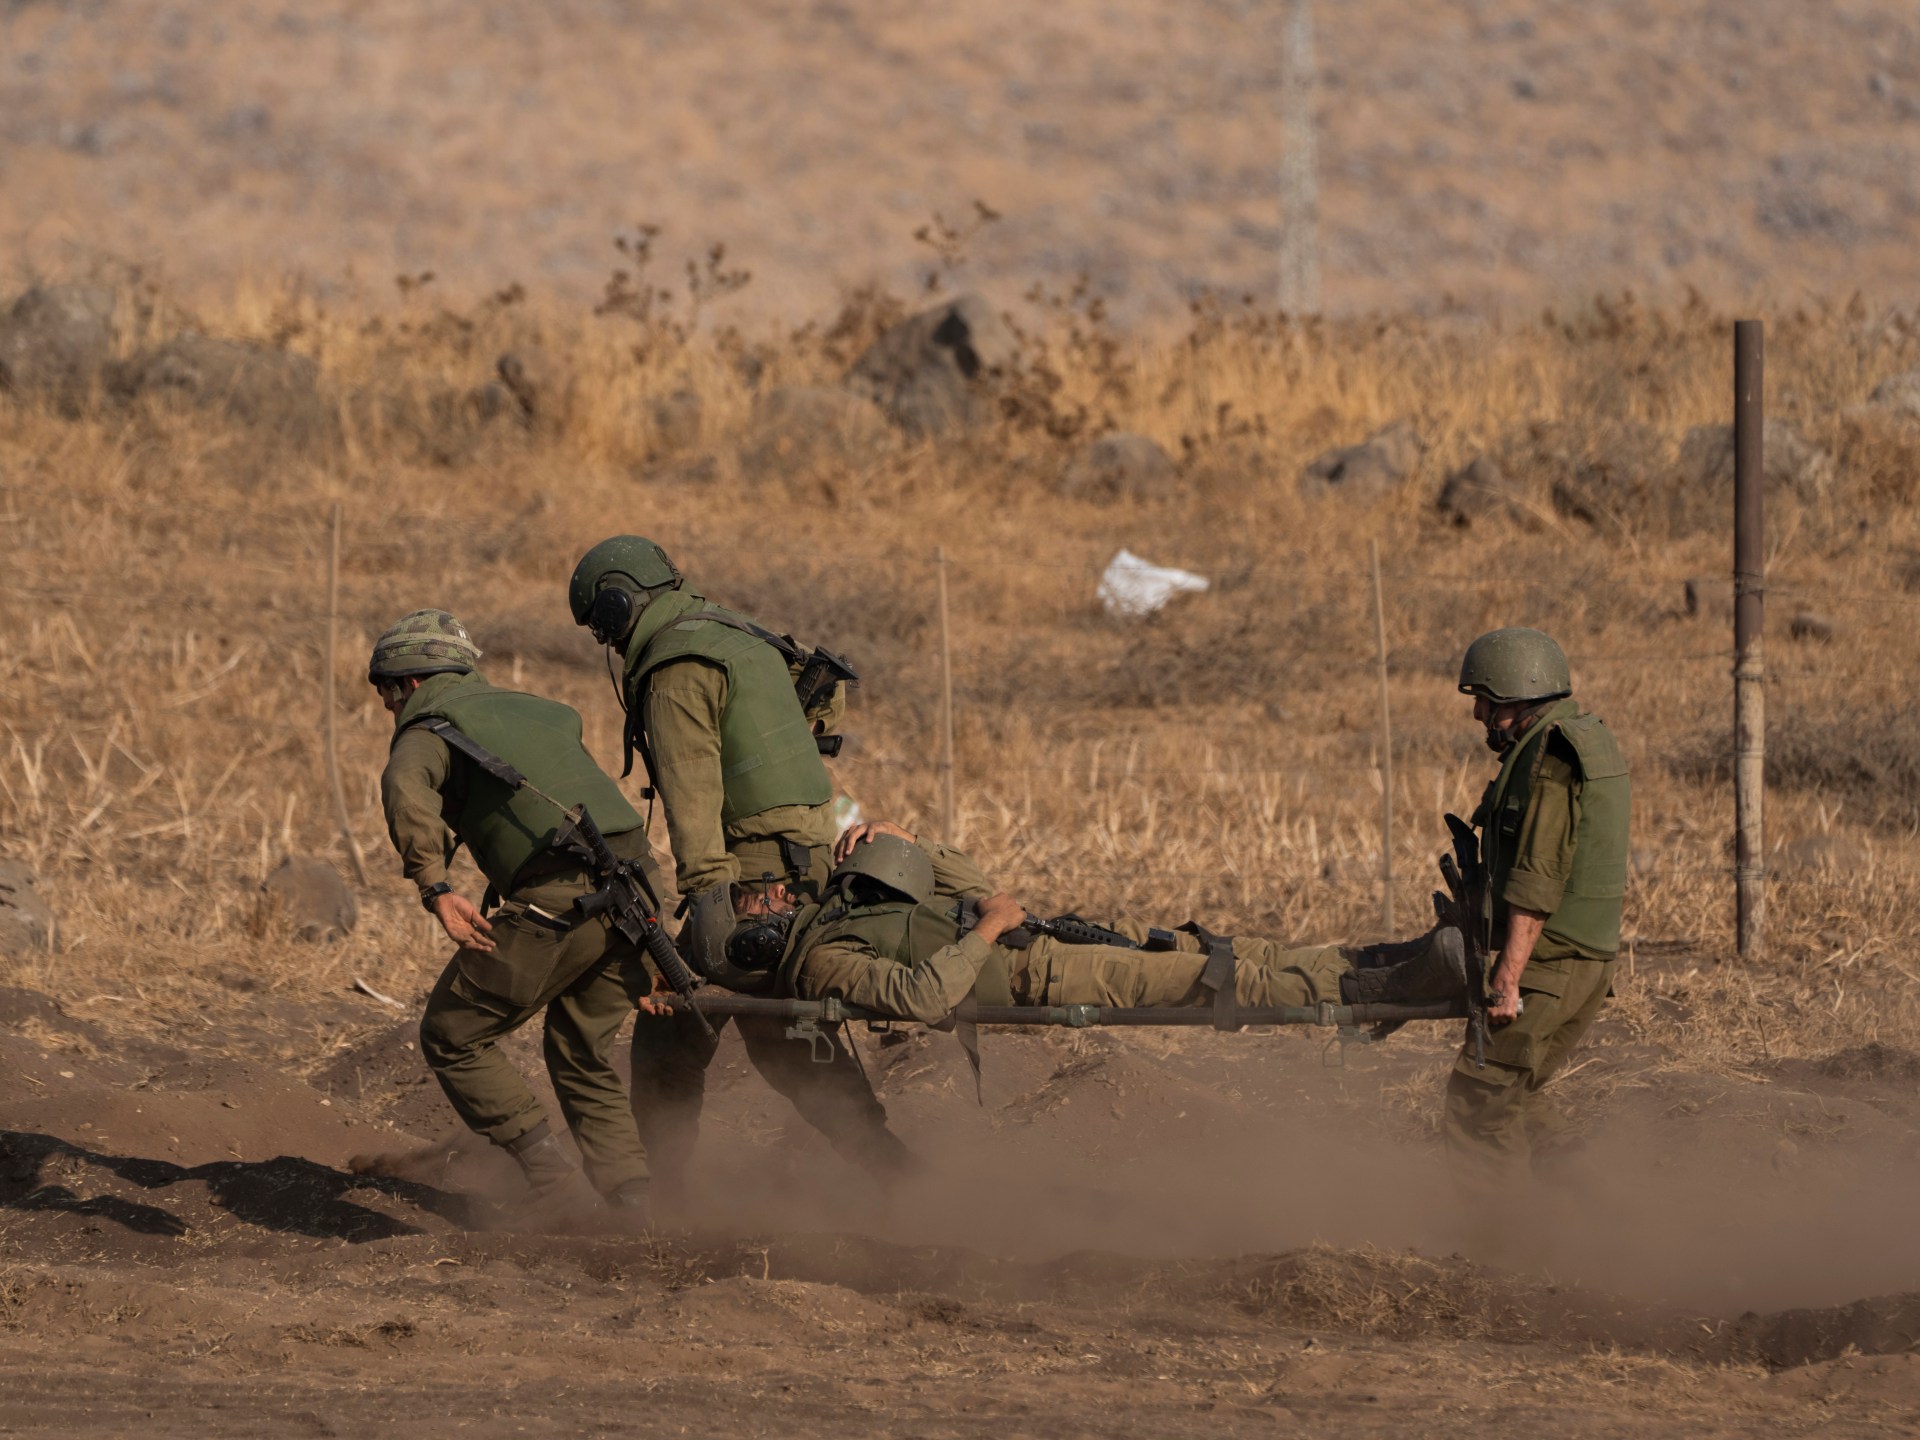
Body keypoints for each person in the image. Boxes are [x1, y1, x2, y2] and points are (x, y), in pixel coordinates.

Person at [566, 536, 911, 1205]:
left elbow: (692, 795)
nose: (606, 642)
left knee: (691, 1033)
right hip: (807, 860)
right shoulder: (741, 637)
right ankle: (895, 1174)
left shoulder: (675, 670)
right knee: (777, 1032)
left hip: (752, 880)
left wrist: (708, 903)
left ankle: (658, 1198)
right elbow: (808, 734)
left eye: (601, 627)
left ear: (618, 606)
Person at [371, 609, 665, 1220]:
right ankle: (635, 1203)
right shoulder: (539, 710)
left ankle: (555, 1188)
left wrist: (435, 887)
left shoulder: (429, 726)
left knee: (452, 1034)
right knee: (580, 1049)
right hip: (639, 895)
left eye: (387, 694)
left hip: (560, 896)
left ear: (411, 683)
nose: (388, 708)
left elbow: (403, 785)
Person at [727, 823, 1467, 1023]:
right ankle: (1384, 992)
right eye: (755, 902)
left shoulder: (840, 907)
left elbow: (976, 888)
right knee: (1214, 978)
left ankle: (1382, 961)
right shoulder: (821, 961)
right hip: (1037, 972)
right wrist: (988, 931)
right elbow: (921, 996)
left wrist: (909, 841)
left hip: (1042, 939)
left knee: (1213, 946)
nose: (772, 892)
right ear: (758, 938)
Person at [1444, 627, 1631, 1194]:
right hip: (1585, 961)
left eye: (1486, 701)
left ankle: (1490, 1236)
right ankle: (1592, 1211)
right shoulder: (1585, 738)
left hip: (1550, 964)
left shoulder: (1550, 757)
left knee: (1479, 1102)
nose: (1479, 714)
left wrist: (1509, 974)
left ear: (1518, 694)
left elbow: (1537, 875)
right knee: (1516, 1097)